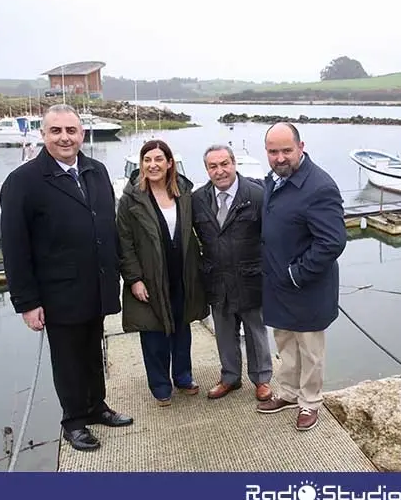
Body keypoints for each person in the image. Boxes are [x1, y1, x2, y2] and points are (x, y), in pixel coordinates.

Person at [0, 103, 133, 452]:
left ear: (82, 134)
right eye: (56, 131)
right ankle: (73, 421)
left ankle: (96, 406)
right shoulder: (24, 182)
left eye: (71, 131)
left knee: (92, 350)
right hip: (58, 292)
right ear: (44, 135)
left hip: (97, 285)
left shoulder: (97, 171)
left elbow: (106, 227)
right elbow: (15, 248)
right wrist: (27, 303)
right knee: (68, 359)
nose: (64, 137)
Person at [256, 122, 346, 431]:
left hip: (306, 286)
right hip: (278, 285)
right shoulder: (274, 180)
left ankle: (310, 403)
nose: (279, 158)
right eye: (272, 151)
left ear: (301, 147)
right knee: (285, 343)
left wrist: (297, 273)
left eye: (286, 151)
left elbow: (332, 242)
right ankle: (289, 393)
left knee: (310, 350)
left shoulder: (320, 187)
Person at [116, 139, 209, 407]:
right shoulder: (131, 199)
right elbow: (125, 242)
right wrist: (134, 279)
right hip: (149, 278)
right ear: (142, 165)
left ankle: (183, 376)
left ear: (170, 164)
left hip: (182, 274)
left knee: (182, 327)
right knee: (154, 332)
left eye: (159, 159)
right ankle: (160, 385)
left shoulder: (185, 193)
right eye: (147, 160)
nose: (153, 165)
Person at [192, 144, 273, 402]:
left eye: (224, 164)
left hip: (251, 278)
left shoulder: (257, 195)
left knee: (255, 331)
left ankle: (262, 379)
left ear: (234, 163)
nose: (220, 171)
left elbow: (271, 238)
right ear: (207, 169)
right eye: (213, 166)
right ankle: (229, 378)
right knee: (224, 333)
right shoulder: (197, 199)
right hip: (217, 279)